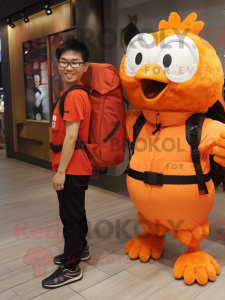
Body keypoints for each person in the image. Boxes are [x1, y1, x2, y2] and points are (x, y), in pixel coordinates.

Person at [42, 38, 93, 289]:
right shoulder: (71, 93)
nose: (69, 67)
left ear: (85, 66)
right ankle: (80, 249)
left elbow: (72, 136)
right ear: (57, 64)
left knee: (70, 217)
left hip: (72, 167)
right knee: (75, 212)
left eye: (75, 62)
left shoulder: (74, 96)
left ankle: (72, 267)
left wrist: (61, 171)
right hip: (74, 165)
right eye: (64, 61)